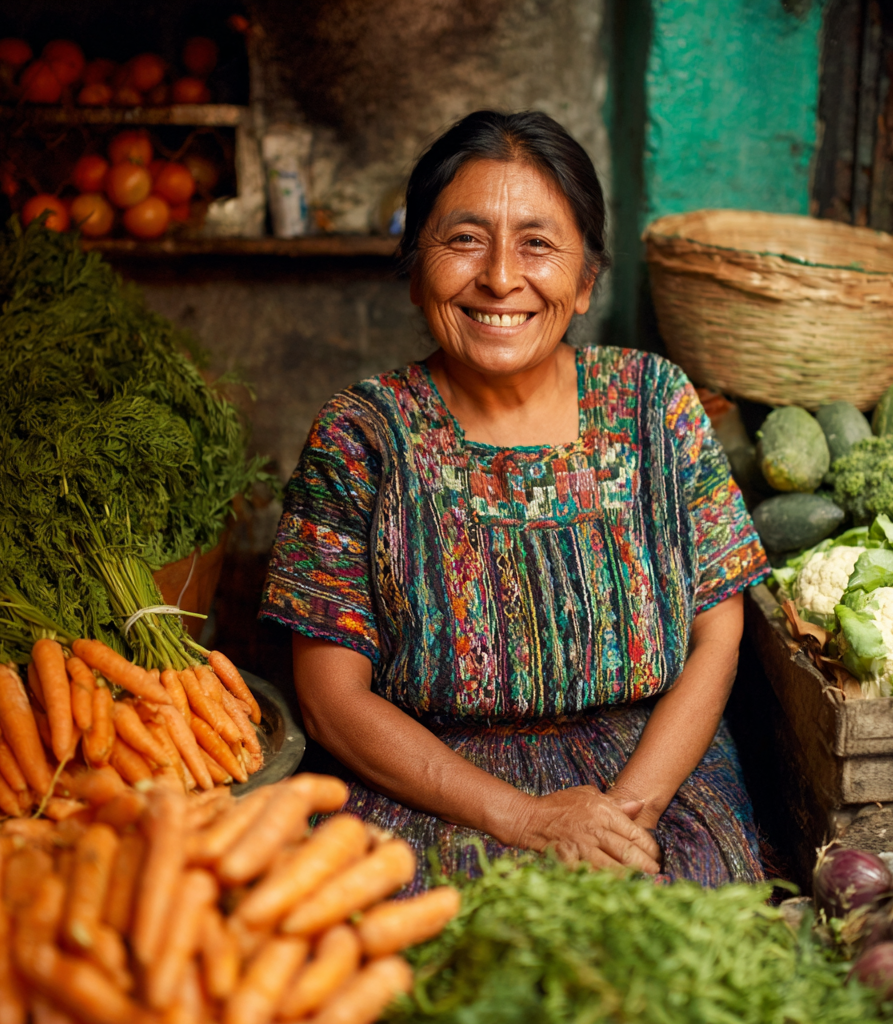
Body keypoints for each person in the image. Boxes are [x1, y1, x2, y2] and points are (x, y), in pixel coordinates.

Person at [260, 109, 769, 888]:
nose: (500, 277)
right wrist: (527, 820)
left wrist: (622, 819)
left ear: (587, 279)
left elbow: (717, 636)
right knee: (426, 940)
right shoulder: (363, 434)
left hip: (652, 777)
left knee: (675, 925)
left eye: (537, 243)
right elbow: (331, 700)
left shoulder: (654, 403)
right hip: (429, 791)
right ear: (415, 270)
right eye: (465, 239)